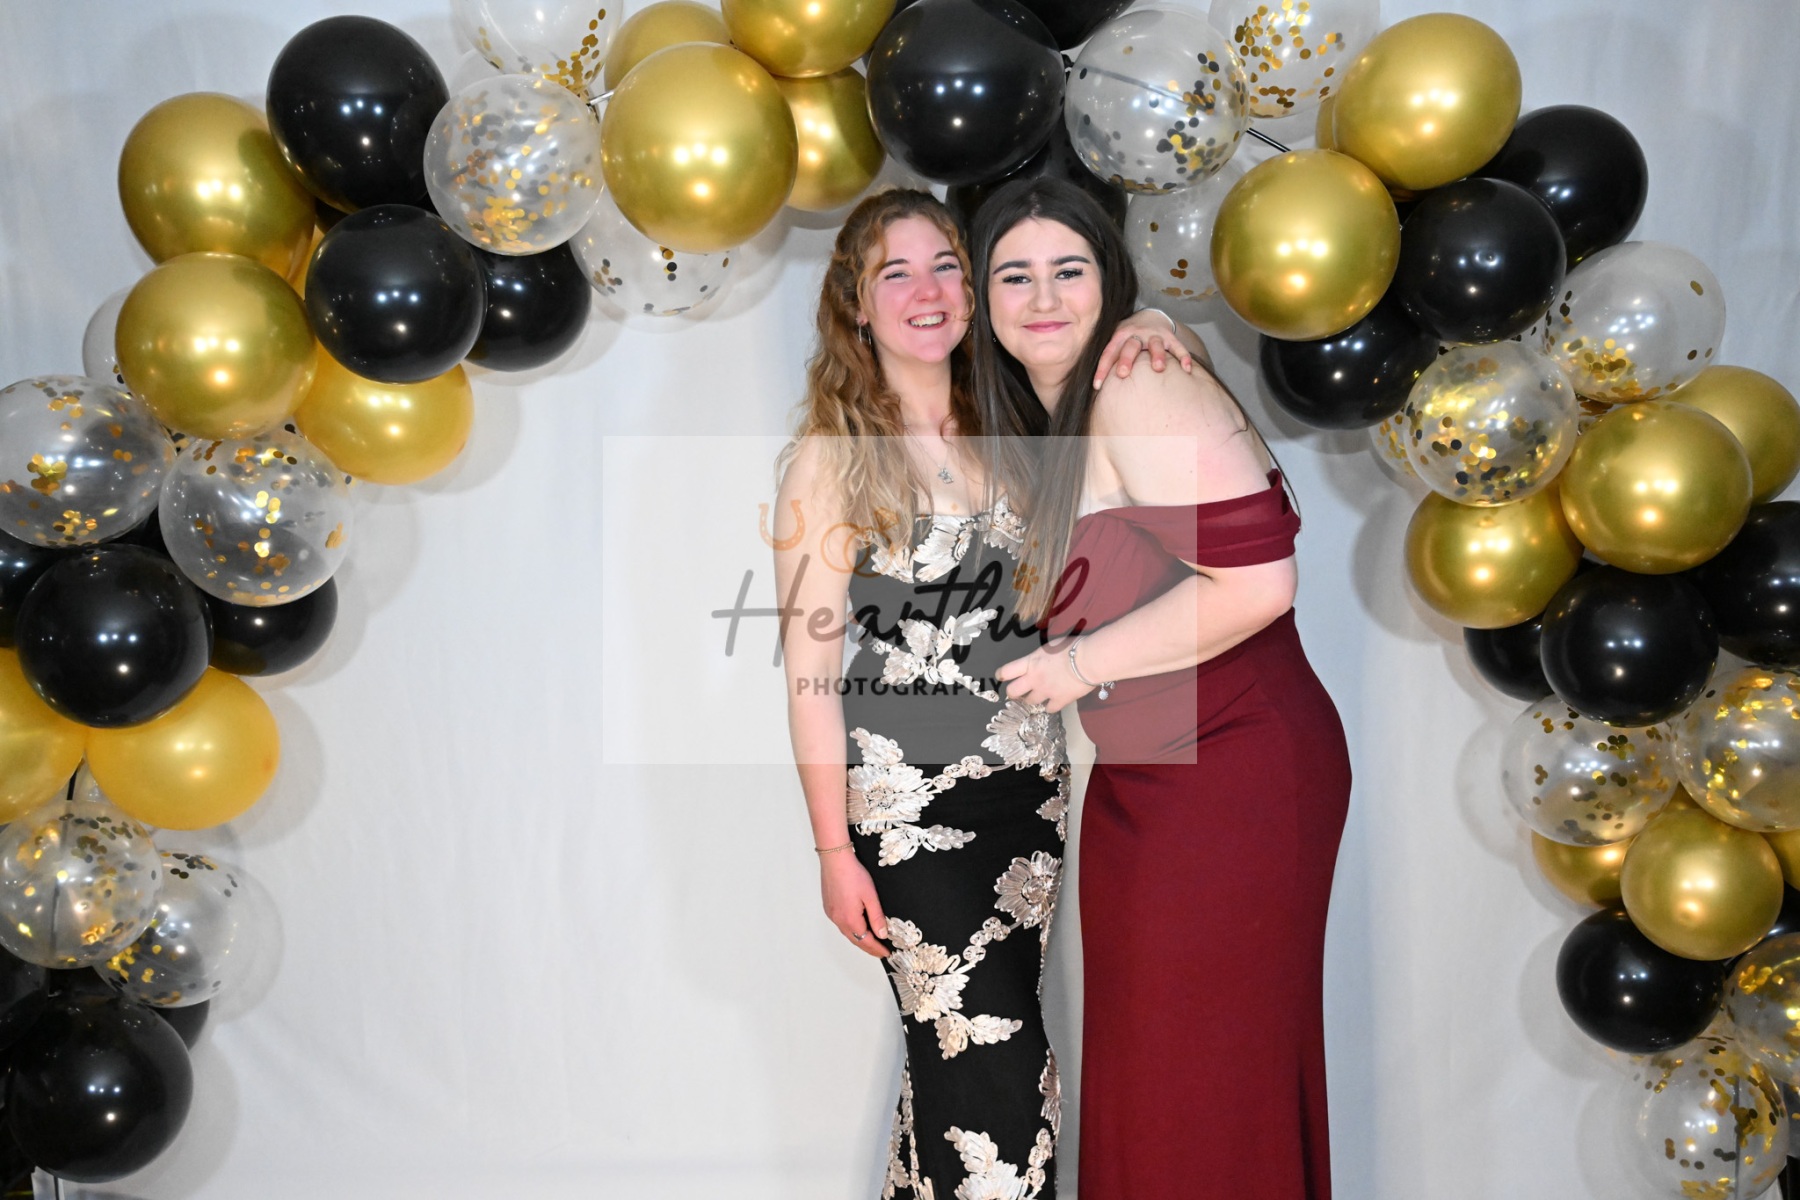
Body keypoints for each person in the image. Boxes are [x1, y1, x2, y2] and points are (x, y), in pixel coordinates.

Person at [773, 188, 1194, 1199]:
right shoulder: (832, 460)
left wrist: (1155, 320)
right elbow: (809, 675)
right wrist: (834, 851)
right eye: (895, 272)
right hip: (908, 819)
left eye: (946, 267)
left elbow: (1117, 377)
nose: (926, 291)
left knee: (955, 1077)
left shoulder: (1017, 421)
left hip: (1028, 801)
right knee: (1002, 1082)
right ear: (858, 305)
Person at [969, 176, 1352, 1199]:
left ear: (1110, 280)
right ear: (983, 298)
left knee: (1201, 1076)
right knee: (1167, 1072)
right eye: (1015, 275)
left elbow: (1261, 586)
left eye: (1069, 270)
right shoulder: (1067, 409)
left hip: (1235, 768)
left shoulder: (1136, 388)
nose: (1043, 298)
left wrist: (1076, 667)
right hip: (1152, 774)